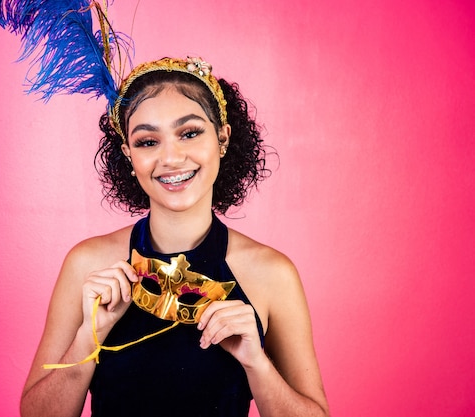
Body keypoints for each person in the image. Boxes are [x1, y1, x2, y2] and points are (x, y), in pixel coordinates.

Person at [18, 57, 330, 417]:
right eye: (148, 141)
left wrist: (257, 364)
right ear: (129, 156)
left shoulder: (273, 274)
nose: (170, 157)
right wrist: (89, 337)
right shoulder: (86, 264)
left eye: (190, 133)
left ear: (223, 138)